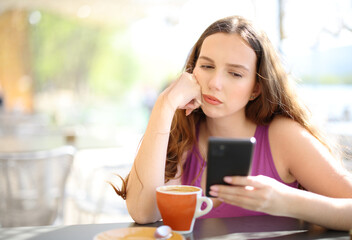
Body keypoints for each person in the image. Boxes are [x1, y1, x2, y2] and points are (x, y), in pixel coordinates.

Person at [111, 16, 352, 231]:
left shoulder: (283, 136)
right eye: (206, 66)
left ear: (256, 88)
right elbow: (144, 213)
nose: (214, 82)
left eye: (235, 74)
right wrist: (165, 104)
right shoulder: (182, 131)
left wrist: (286, 201)